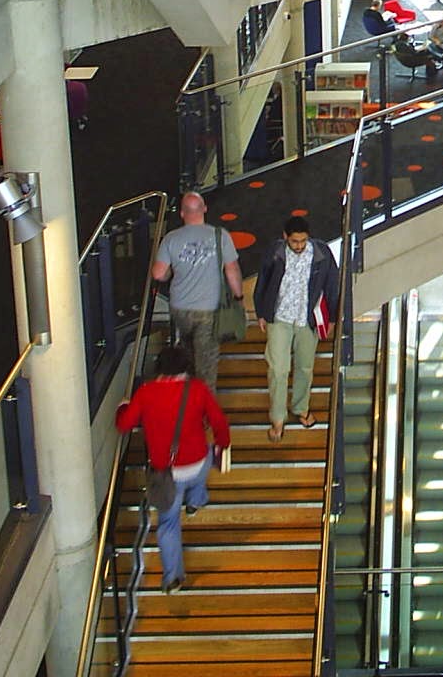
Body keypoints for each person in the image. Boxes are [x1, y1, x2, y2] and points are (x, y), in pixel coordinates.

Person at [116, 345, 231, 594]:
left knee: (168, 524)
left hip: (167, 474)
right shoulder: (197, 389)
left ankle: (173, 577)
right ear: (185, 369)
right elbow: (219, 422)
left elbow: (124, 425)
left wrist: (124, 407)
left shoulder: (146, 393)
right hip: (198, 464)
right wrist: (223, 445)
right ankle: (197, 500)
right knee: (204, 463)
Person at [253, 214, 341, 441]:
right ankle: (278, 417)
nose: (299, 246)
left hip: (307, 319)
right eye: (294, 241)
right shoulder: (275, 252)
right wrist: (261, 312)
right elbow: (263, 281)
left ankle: (301, 407)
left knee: (305, 367)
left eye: (303, 241)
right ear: (285, 237)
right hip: (279, 318)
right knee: (278, 369)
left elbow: (332, 285)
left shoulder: (321, 254)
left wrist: (331, 317)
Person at [152, 192, 245, 392]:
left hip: (180, 309)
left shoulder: (171, 239)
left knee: (186, 355)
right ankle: (202, 412)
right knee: (207, 365)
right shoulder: (220, 236)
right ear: (204, 209)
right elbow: (232, 270)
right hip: (208, 311)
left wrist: (171, 271)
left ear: (183, 214)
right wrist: (239, 297)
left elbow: (158, 274)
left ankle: (185, 399)